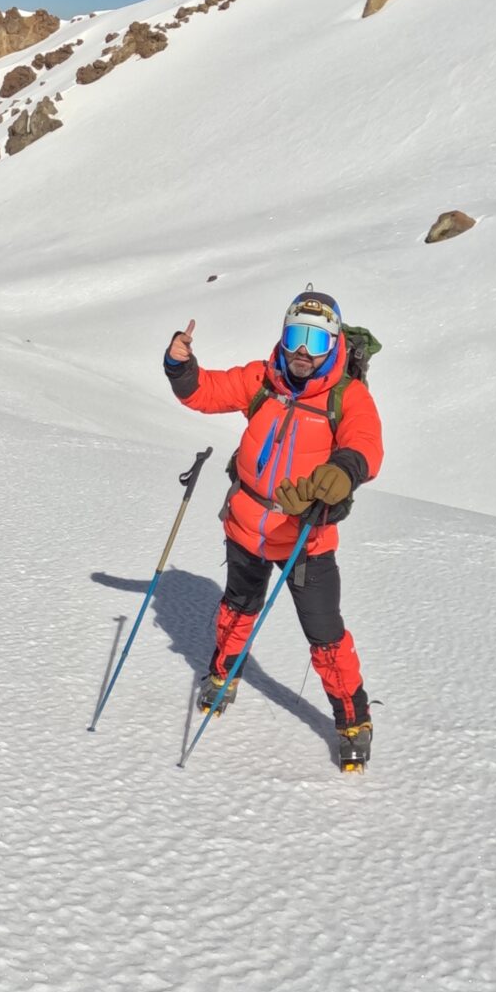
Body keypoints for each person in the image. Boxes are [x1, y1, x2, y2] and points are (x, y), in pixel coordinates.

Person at [163, 287, 382, 770]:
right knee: (237, 608)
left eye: (317, 340)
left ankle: (353, 720)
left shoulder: (347, 395)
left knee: (325, 635)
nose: (303, 351)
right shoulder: (264, 380)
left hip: (307, 536)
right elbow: (204, 393)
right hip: (246, 525)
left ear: (334, 345)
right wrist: (181, 366)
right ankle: (224, 674)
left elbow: (366, 444)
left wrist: (343, 470)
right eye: (296, 336)